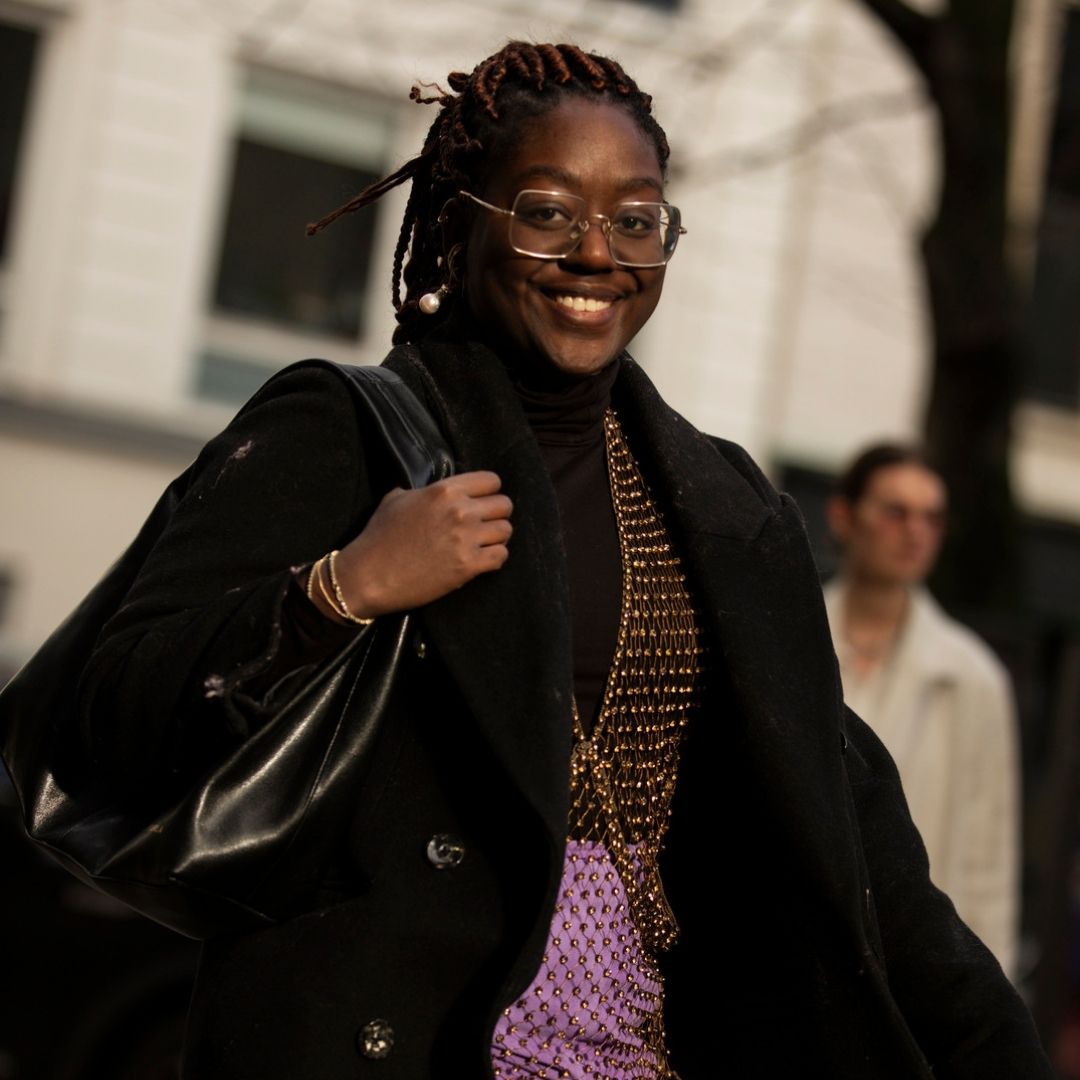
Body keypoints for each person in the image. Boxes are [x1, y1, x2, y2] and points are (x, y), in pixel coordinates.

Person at [60, 42, 1050, 1079]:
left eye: (634, 218)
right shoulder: (345, 436)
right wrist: (339, 591)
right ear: (460, 223)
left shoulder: (723, 507)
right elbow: (107, 716)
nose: (596, 252)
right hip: (399, 1041)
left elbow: (845, 835)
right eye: (546, 210)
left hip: (638, 1048)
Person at [823, 444, 1021, 978]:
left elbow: (988, 863)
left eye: (932, 517)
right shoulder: (789, 638)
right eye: (896, 511)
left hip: (907, 971)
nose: (915, 531)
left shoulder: (973, 677)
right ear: (843, 516)